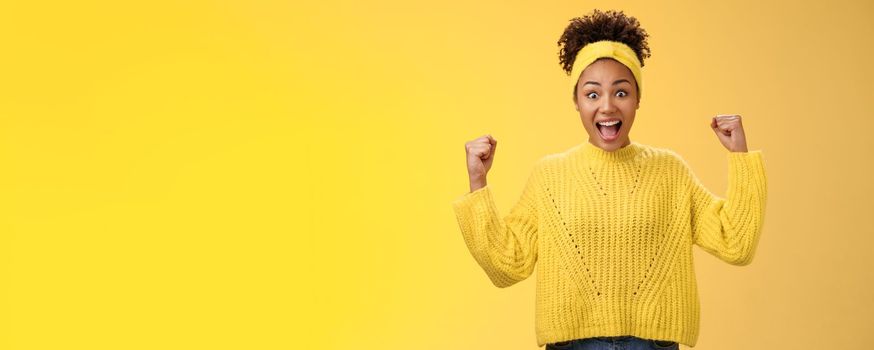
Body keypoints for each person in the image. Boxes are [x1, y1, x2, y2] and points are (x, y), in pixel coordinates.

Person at [451, 9, 767, 350]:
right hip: (572, 344)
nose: (607, 107)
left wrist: (740, 155)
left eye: (620, 92)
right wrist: (477, 182)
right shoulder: (549, 176)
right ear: (576, 101)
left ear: (637, 99)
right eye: (592, 94)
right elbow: (508, 265)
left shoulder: (670, 171)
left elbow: (736, 243)